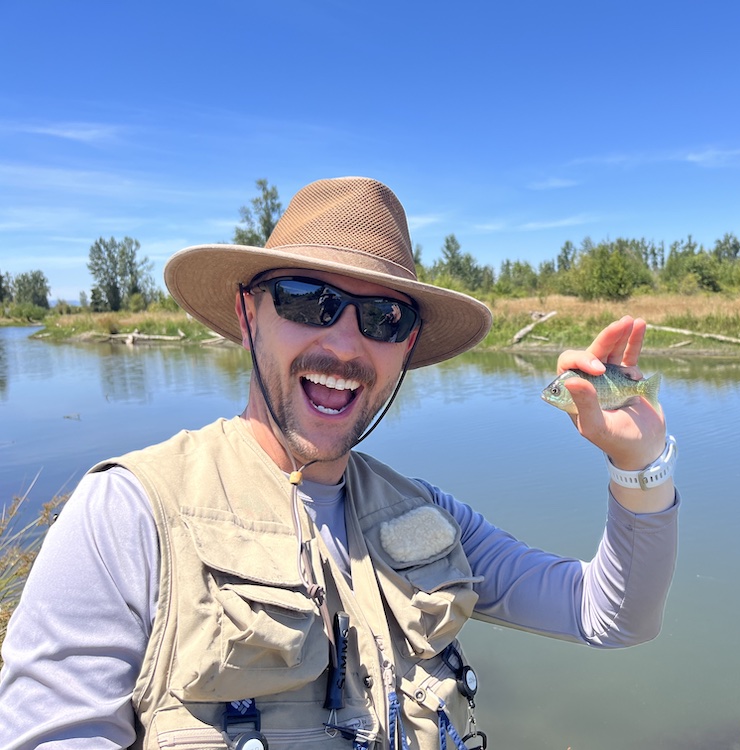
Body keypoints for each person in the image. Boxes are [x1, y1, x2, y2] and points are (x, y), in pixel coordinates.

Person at [0, 177, 679, 749]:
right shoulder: (128, 515)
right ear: (247, 314)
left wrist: (640, 464)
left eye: (383, 315)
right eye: (306, 298)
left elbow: (610, 618)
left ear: (407, 345)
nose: (347, 343)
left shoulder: (430, 518)